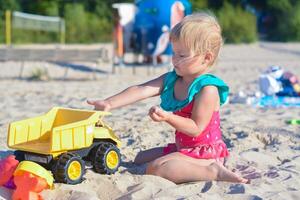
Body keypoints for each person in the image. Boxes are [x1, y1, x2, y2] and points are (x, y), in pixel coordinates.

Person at [87, 12, 248, 184]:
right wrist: (110, 102)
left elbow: (195, 128)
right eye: (174, 53)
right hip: (183, 147)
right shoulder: (172, 79)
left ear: (206, 58)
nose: (174, 60)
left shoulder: (207, 89)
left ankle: (213, 172)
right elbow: (142, 90)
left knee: (157, 168)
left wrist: (168, 117)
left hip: (205, 153)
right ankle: (188, 163)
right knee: (140, 158)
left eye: (182, 55)